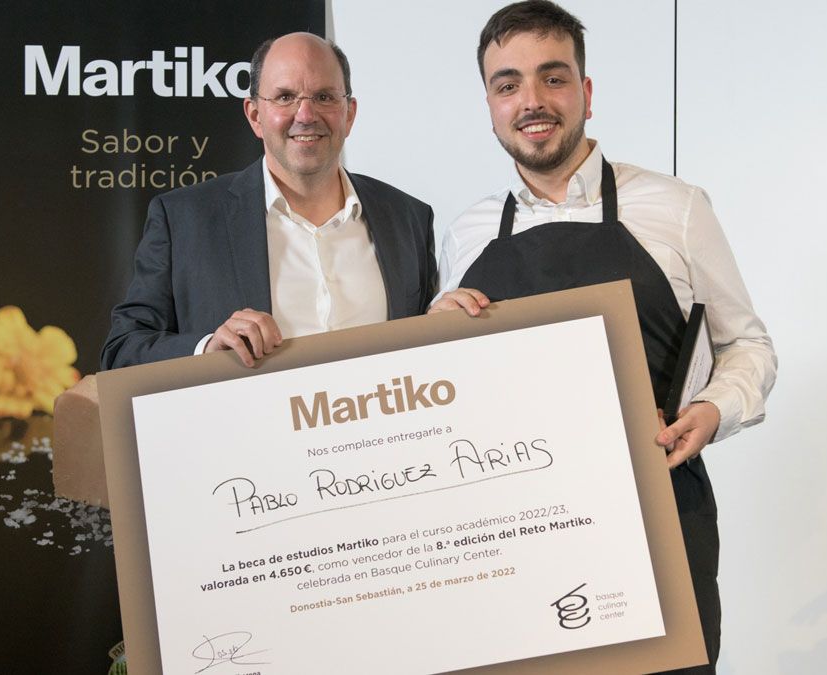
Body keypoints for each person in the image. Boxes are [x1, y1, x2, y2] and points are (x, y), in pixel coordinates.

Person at [431, 2, 777, 671]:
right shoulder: (467, 233)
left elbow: (748, 345)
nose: (531, 101)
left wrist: (712, 411)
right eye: (508, 85)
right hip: (515, 538)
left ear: (585, 92)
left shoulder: (676, 208)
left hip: (659, 516)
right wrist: (434, 342)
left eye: (552, 78)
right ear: (490, 104)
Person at [102, 32, 437, 370]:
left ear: (349, 114)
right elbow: (122, 351)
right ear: (255, 116)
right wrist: (207, 350)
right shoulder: (184, 220)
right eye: (285, 97)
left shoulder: (408, 219)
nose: (305, 114)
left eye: (323, 96)